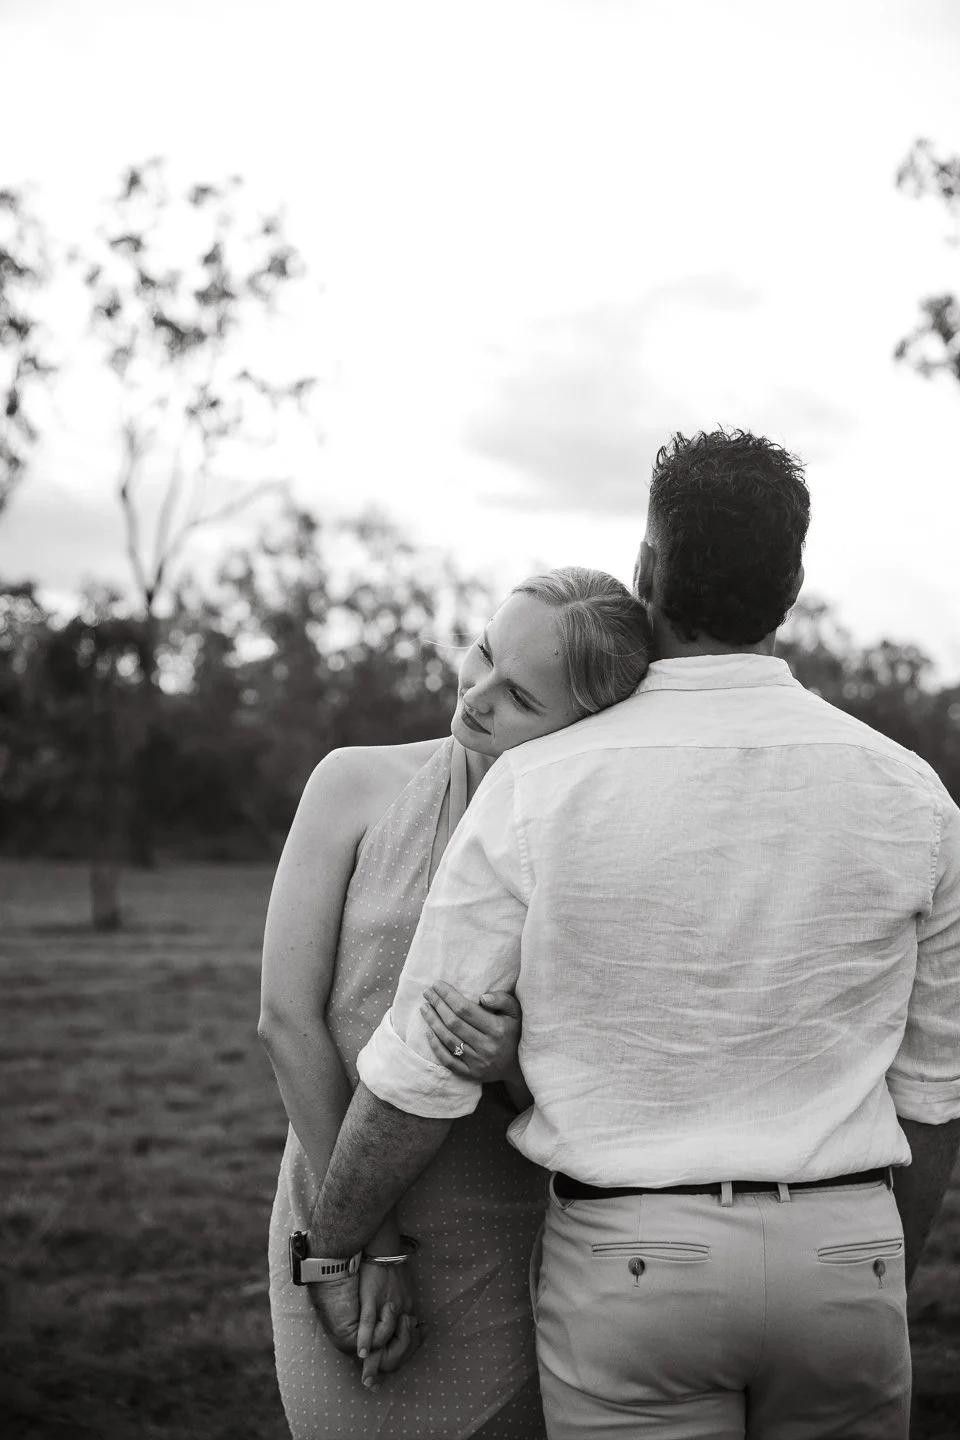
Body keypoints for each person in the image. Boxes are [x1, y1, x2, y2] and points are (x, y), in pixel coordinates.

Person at [306, 428, 960, 1440]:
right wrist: (876, 1265)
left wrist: (336, 1240)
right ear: (789, 585)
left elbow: (420, 1069)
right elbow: (935, 1088)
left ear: (647, 571)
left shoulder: (537, 786)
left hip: (632, 1263)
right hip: (848, 1253)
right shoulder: (913, 795)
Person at [259, 566, 653, 1440]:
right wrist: (361, 1245)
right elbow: (287, 1020)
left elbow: (600, 1080)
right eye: (480, 654)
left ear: (584, 722)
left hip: (507, 1226)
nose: (476, 696)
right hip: (335, 1194)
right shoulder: (351, 783)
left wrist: (510, 1063)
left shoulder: (590, 844)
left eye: (518, 695)